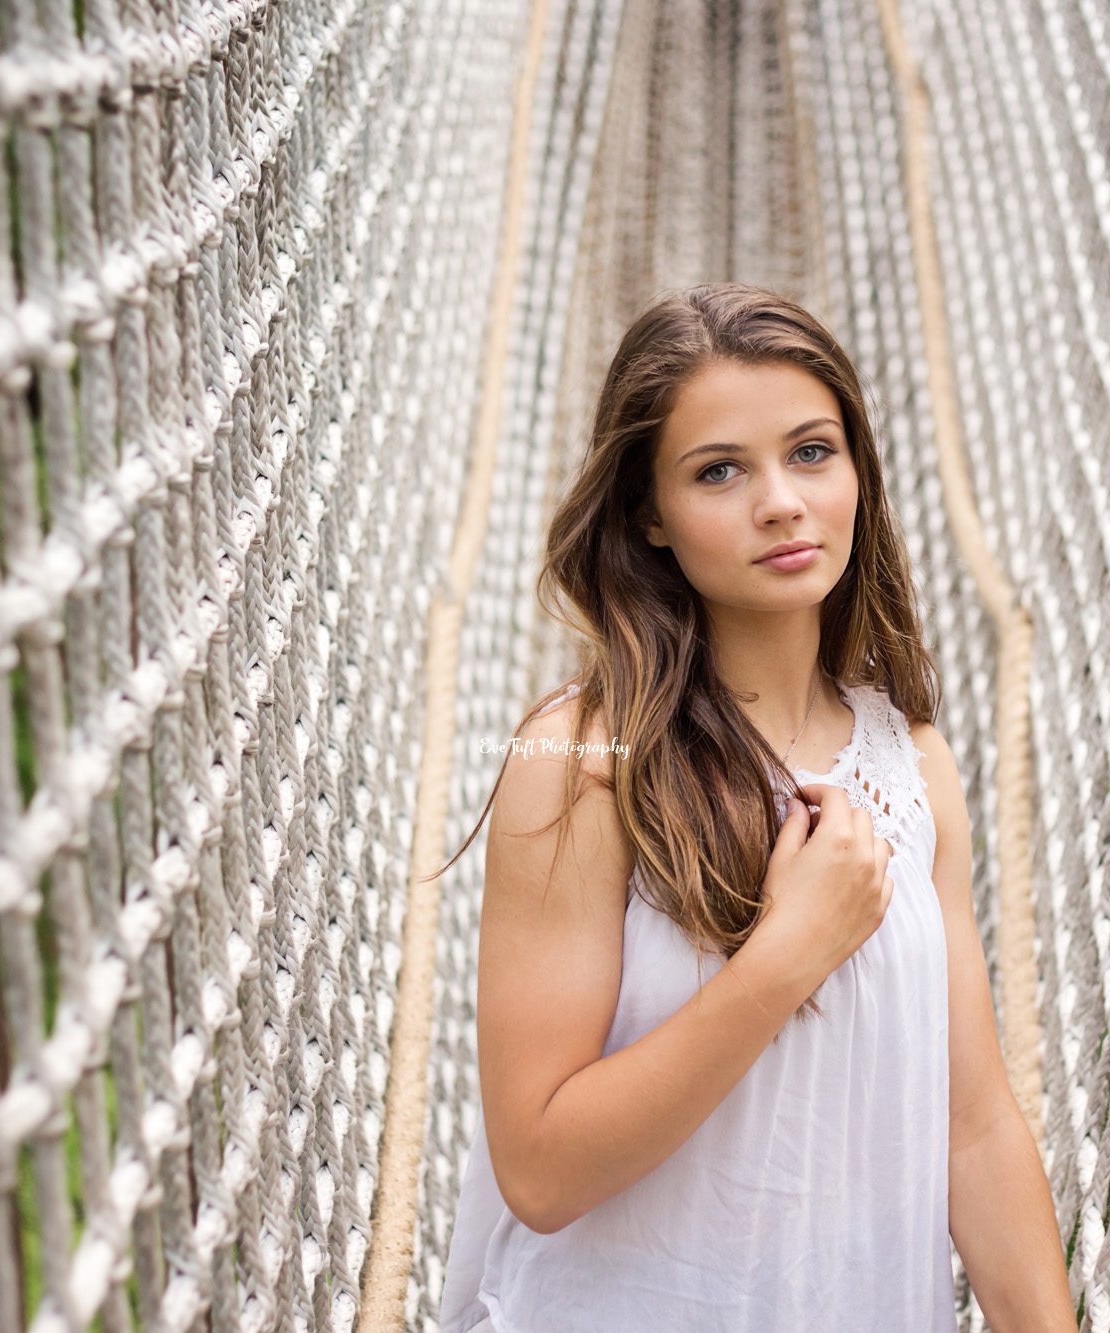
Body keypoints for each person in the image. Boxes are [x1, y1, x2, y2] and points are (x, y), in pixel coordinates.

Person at [431, 283, 1075, 1330]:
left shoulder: (914, 772)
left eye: (811, 452)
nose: (779, 500)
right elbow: (540, 1171)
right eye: (718, 470)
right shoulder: (582, 757)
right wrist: (785, 955)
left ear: (857, 471)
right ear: (647, 511)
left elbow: (975, 1130)